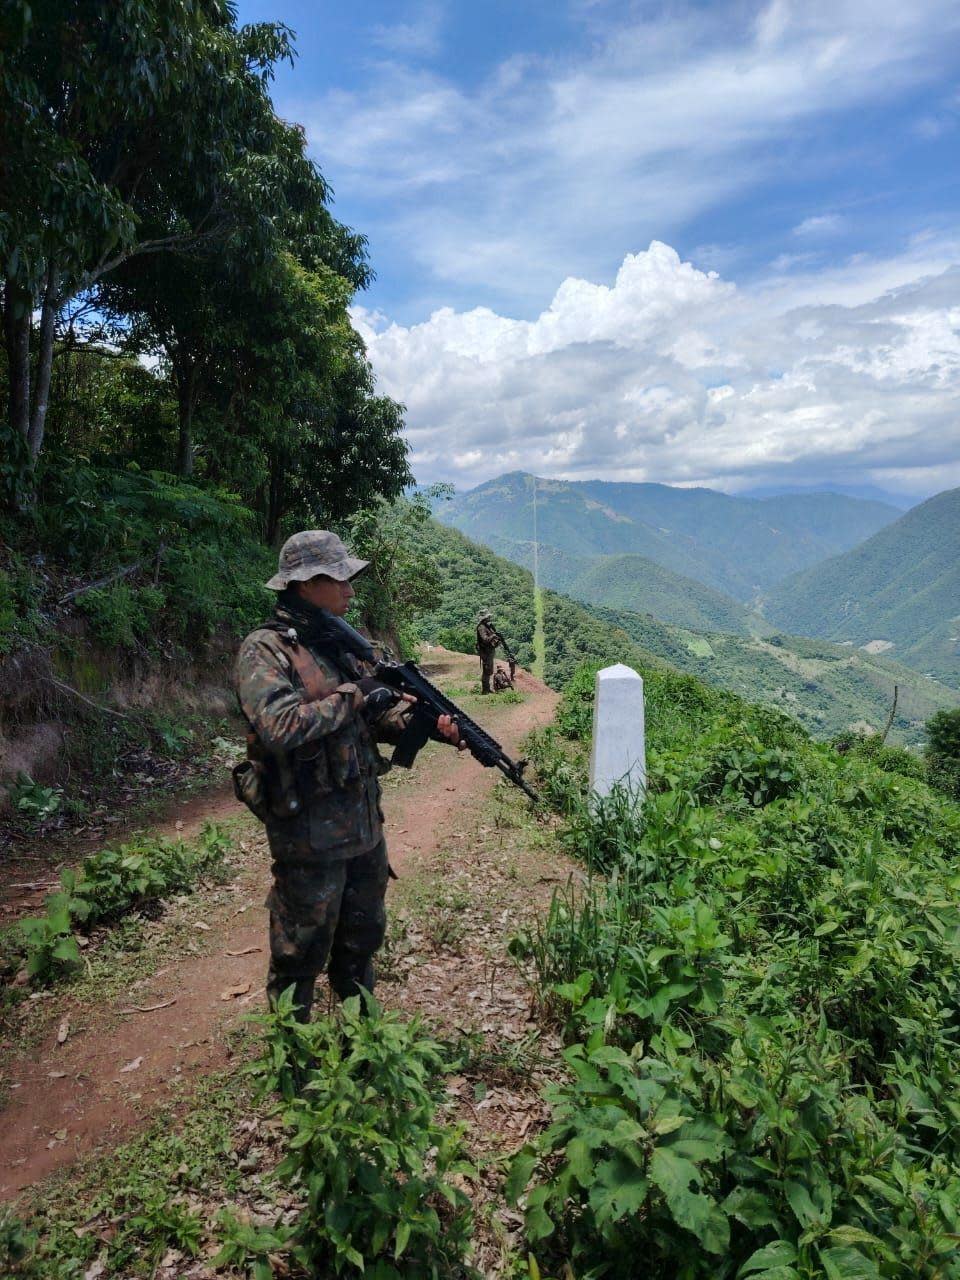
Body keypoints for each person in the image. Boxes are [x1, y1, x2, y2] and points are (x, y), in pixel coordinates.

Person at [234, 530, 463, 1022]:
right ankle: (294, 1061)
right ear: (305, 584)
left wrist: (426, 725)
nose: (350, 591)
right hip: (308, 833)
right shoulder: (266, 651)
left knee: (361, 940)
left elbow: (373, 719)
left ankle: (362, 1044)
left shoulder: (341, 643)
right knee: (300, 952)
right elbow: (279, 726)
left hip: (361, 825)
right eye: (339, 580)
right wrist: (353, 695)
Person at [476, 609, 507, 694]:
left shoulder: (487, 626)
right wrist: (494, 635)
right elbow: (485, 640)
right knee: (487, 670)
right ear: (484, 618)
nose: (489, 618)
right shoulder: (481, 627)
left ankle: (487, 689)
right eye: (488, 617)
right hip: (485, 651)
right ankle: (485, 690)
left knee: (489, 670)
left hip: (489, 651)